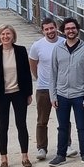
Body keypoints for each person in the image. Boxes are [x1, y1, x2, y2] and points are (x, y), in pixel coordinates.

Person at [48, 17, 84, 166]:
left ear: (78, 30)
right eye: (67, 28)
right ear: (63, 31)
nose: (70, 31)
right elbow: (53, 73)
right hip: (61, 95)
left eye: (73, 28)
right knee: (62, 126)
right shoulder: (58, 49)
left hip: (80, 95)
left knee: (82, 126)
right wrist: (53, 95)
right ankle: (60, 155)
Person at [0, 24, 33, 167]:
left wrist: (29, 93)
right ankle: (4, 158)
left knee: (21, 124)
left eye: (8, 34)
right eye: (3, 35)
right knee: (3, 126)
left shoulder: (21, 50)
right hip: (0, 94)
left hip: (19, 92)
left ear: (13, 36)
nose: (5, 37)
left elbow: (26, 72)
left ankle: (25, 156)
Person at [28, 17, 62, 159]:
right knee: (42, 120)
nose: (50, 31)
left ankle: (67, 144)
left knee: (63, 118)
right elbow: (33, 64)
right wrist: (39, 77)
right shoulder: (37, 46)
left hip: (61, 87)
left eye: (51, 28)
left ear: (56, 28)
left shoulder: (63, 43)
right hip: (43, 88)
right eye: (46, 29)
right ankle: (42, 148)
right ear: (43, 31)